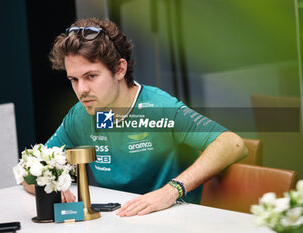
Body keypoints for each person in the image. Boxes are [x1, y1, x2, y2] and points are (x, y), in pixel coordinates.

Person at [23, 17, 248, 217]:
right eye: (74, 79)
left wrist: (171, 191)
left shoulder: (159, 107)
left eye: (91, 76)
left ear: (120, 69)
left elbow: (233, 143)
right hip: (116, 221)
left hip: (171, 221)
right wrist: (49, 185)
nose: (81, 90)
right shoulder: (80, 114)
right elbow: (29, 172)